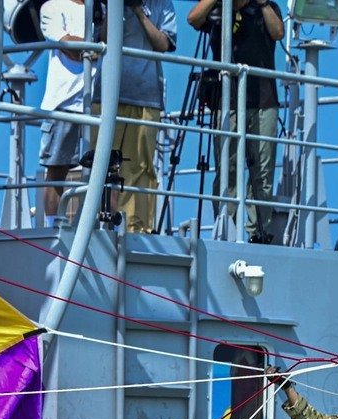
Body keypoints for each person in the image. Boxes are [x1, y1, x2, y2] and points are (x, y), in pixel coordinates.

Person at [186, 0, 284, 242]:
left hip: (263, 99)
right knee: (227, 169)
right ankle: (226, 228)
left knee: (262, 172)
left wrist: (261, 3)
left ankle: (257, 232)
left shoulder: (266, 7)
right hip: (227, 100)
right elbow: (193, 19)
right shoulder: (217, 9)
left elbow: (278, 32)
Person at [93, 0, 178, 233]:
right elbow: (102, 39)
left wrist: (139, 12)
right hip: (108, 94)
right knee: (103, 163)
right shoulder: (107, 3)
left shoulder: (163, 5)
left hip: (146, 96)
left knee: (140, 167)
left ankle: (136, 229)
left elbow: (163, 44)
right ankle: (101, 224)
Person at [39, 0, 88, 220]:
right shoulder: (52, 7)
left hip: (95, 104)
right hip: (63, 104)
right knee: (57, 170)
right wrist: (91, 47)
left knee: (105, 171)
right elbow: (67, 45)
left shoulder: (102, 9)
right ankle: (53, 227)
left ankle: (102, 227)